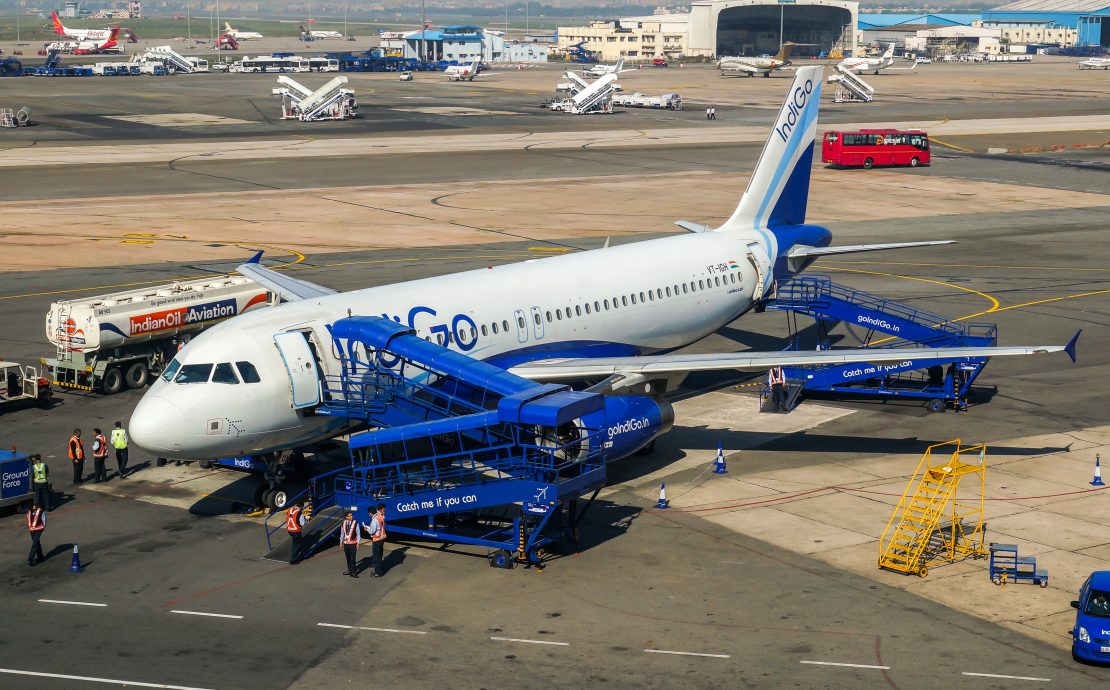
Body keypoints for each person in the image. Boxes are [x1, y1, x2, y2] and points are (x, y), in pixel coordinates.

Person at [340, 510, 360, 578]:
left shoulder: (356, 523)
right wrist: (341, 542)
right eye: (350, 516)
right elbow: (342, 533)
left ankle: (353, 572)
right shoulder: (343, 523)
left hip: (353, 544)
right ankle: (349, 570)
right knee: (348, 558)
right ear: (346, 517)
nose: (352, 516)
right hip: (346, 544)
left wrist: (358, 543)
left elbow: (358, 534)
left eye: (352, 515)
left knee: (352, 558)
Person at [368, 503, 387, 578]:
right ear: (380, 510)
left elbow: (372, 531)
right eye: (384, 509)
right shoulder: (381, 516)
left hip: (377, 540)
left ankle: (377, 572)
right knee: (380, 555)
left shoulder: (375, 519)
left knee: (376, 557)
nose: (385, 510)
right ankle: (378, 569)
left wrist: (367, 529)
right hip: (382, 538)